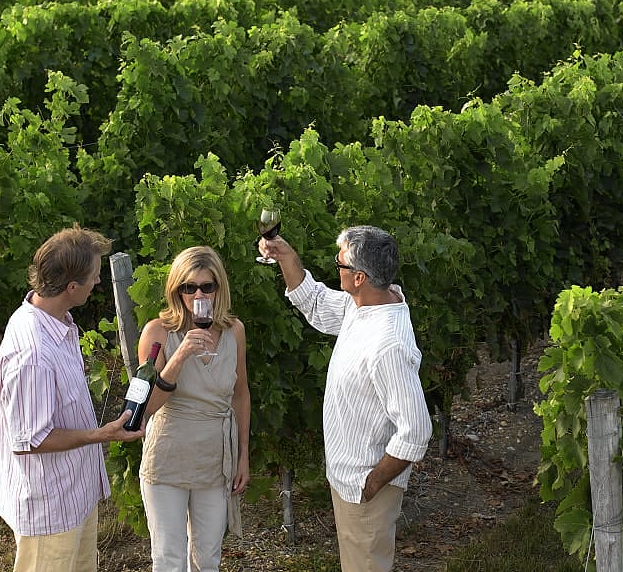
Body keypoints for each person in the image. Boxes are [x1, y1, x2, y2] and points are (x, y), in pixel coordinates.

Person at [258, 224, 433, 572]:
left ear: (359, 277)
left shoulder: (387, 345)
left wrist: (373, 482)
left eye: (340, 264)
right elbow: (318, 303)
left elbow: (416, 431)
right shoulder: (367, 305)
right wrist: (286, 257)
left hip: (364, 488)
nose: (335, 267)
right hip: (350, 481)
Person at [0, 224, 145, 572]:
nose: (98, 283)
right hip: (49, 507)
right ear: (71, 286)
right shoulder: (32, 353)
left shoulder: (57, 321)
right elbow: (30, 440)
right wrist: (100, 435)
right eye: (93, 276)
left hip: (73, 495)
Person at [135, 246, 250, 572]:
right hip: (168, 456)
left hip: (215, 459)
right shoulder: (158, 332)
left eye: (207, 287)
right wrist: (180, 355)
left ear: (219, 288)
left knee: (208, 559)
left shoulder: (234, 331)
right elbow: (147, 407)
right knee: (169, 560)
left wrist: (243, 455)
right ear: (177, 290)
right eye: (189, 287)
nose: (198, 294)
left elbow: (241, 395)